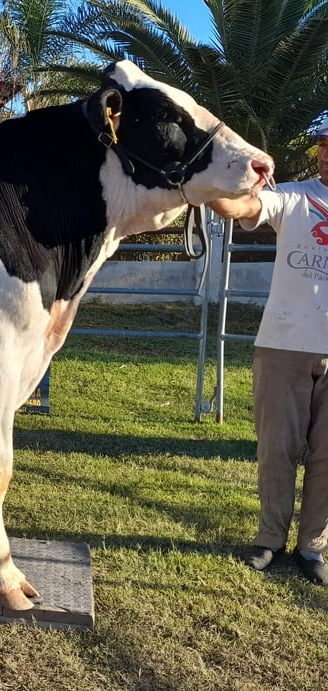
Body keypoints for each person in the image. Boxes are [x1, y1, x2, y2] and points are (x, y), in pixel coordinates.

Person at [209, 115, 328, 585]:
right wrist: (198, 187)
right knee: (277, 450)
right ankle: (270, 540)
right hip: (283, 344)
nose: (325, 152)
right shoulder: (294, 196)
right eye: (322, 143)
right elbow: (239, 208)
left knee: (327, 456)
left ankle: (313, 546)